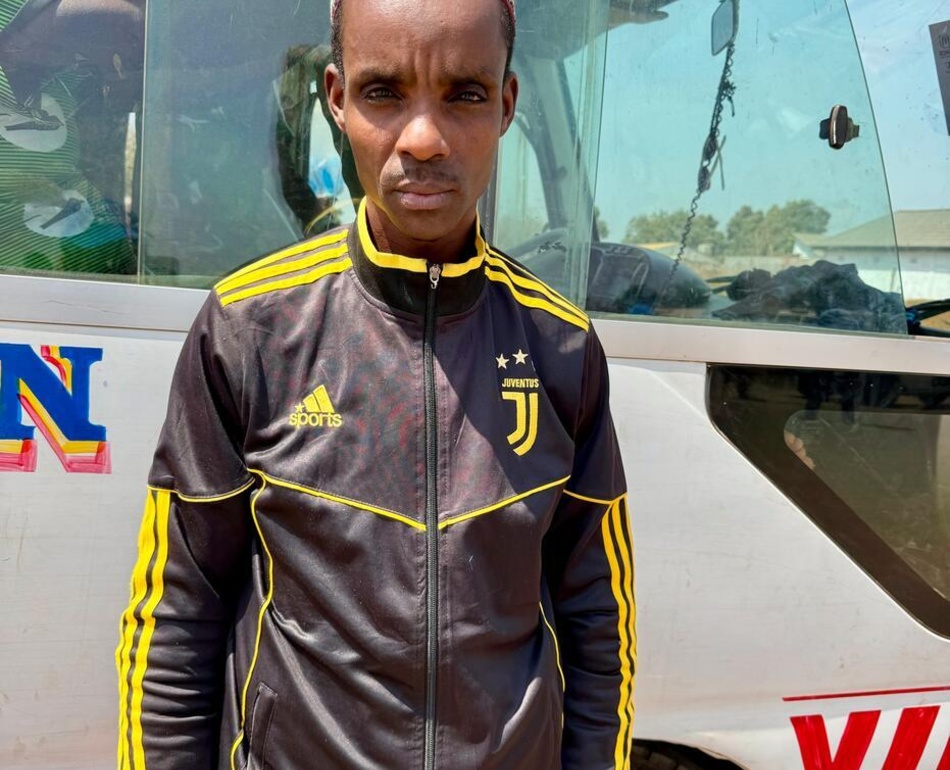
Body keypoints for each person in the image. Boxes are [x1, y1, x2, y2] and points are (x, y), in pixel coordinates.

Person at [116, 0, 635, 767]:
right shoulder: (248, 331)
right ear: (336, 99)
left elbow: (600, 629)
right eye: (384, 92)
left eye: (464, 93)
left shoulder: (561, 349)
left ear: (507, 105)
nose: (422, 140)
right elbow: (176, 620)